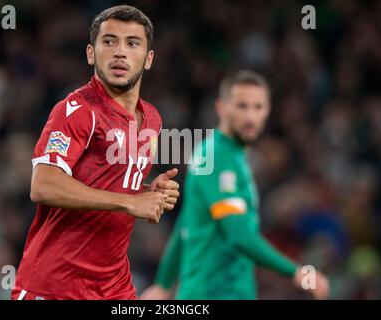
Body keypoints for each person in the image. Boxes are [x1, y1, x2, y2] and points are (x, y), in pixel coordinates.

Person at [11, 5, 180, 300]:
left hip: (113, 286)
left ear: (148, 59)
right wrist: (130, 203)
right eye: (109, 41)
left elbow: (104, 181)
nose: (119, 52)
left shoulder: (152, 119)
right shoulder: (77, 110)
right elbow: (44, 185)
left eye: (132, 43)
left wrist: (147, 192)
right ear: (91, 53)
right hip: (55, 285)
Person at [140, 70, 329, 300]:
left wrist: (163, 283)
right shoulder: (219, 158)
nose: (250, 116)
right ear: (221, 108)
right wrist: (298, 272)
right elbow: (237, 234)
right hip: (215, 293)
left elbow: (186, 224)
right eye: (242, 106)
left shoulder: (217, 155)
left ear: (267, 111)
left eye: (258, 107)